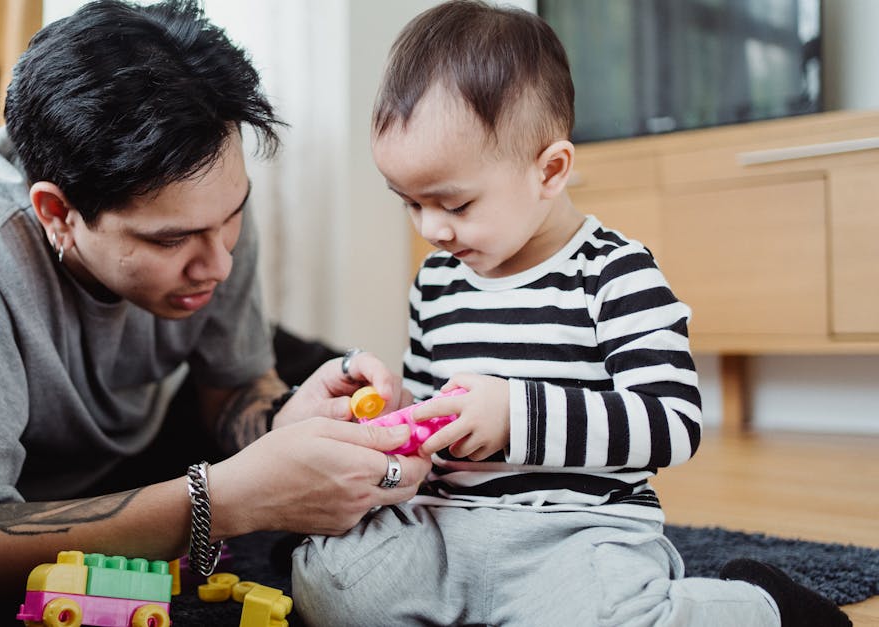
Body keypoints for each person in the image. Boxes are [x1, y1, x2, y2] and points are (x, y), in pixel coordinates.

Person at [289, 2, 852, 626]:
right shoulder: (437, 280)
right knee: (331, 587)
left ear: (550, 170)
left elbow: (671, 422)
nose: (431, 229)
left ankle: (761, 605)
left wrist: (515, 416)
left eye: (454, 203)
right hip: (446, 529)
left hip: (571, 534)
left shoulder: (616, 273)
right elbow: (429, 414)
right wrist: (393, 432)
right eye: (410, 205)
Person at [0, 0, 431, 614]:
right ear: (57, 214)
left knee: (358, 408)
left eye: (232, 218)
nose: (218, 263)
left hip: (159, 417)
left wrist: (280, 420)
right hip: (30, 486)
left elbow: (235, 386)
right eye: (169, 240)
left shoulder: (208, 206)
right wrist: (226, 499)